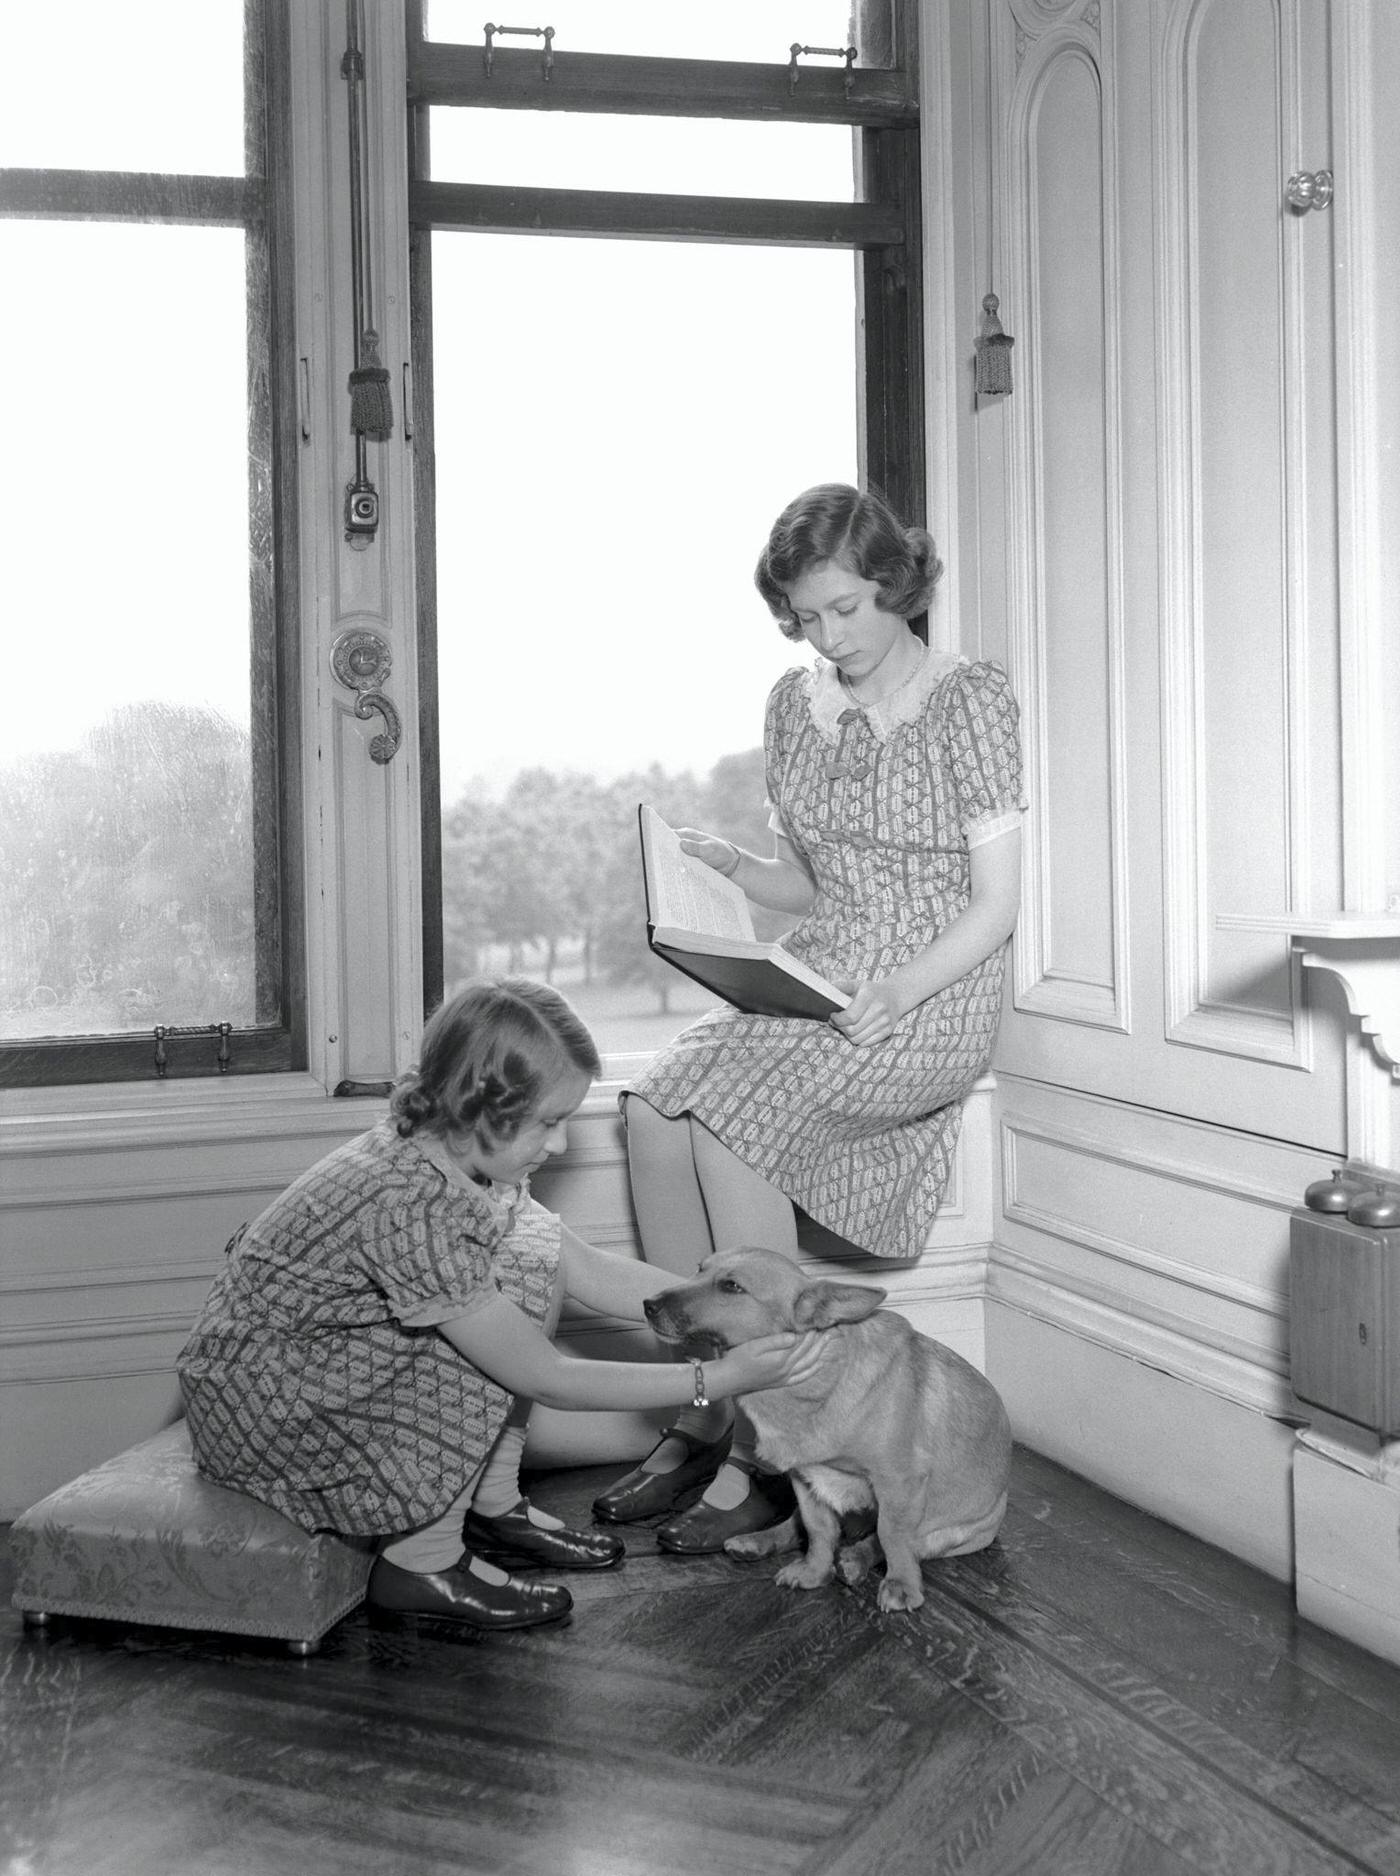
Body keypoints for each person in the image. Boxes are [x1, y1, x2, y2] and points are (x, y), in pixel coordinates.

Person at [593, 482, 1024, 1553]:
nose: (827, 637)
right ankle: (708, 1410)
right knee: (654, 1109)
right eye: (804, 615)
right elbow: (811, 884)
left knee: (737, 1115)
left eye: (845, 609)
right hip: (822, 972)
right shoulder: (796, 704)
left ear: (895, 583)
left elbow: (996, 905)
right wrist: (736, 868)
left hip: (929, 990)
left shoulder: (968, 700)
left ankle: (771, 1467)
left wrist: (901, 990)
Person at [177, 978, 820, 1638]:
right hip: (267, 1404)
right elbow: (546, 1377)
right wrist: (717, 1381)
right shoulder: (413, 1209)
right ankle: (418, 1564)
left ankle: (491, 1503)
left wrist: (721, 1313)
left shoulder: (458, 1153)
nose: (563, 1145)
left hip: (308, 1358)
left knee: (533, 1255)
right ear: (478, 1108)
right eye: (548, 1123)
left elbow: (587, 1270)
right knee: (486, 1352)